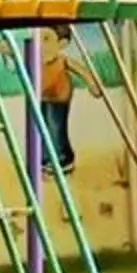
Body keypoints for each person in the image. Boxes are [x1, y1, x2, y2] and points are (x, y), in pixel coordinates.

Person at [34, 28, 98, 176]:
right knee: (43, 127)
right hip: (43, 97)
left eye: (46, 39)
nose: (40, 44)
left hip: (59, 98)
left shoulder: (62, 60)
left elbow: (82, 71)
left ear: (62, 43)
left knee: (56, 128)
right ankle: (46, 158)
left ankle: (64, 158)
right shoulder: (38, 61)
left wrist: (92, 84)